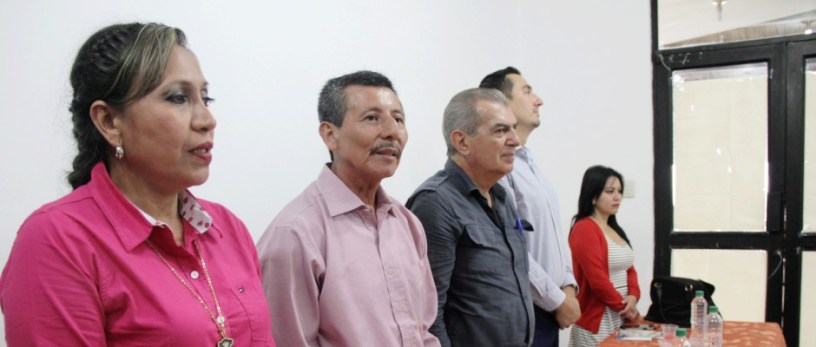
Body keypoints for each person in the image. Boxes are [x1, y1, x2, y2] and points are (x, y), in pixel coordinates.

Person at [0, 23, 275, 346]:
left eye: (206, 97)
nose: (206, 120)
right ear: (109, 122)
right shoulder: (58, 240)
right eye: (177, 98)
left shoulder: (226, 228)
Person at [256, 70, 440, 347]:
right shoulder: (296, 233)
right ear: (330, 135)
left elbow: (423, 331)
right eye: (372, 118)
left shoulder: (407, 223)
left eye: (398, 119)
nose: (391, 132)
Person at [406, 88, 534, 347]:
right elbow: (428, 314)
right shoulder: (436, 202)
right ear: (462, 142)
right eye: (500, 131)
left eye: (513, 128)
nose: (515, 140)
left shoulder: (501, 197)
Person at [479, 67, 581, 347]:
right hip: (529, 309)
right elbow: (511, 247)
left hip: (551, 306)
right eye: (527, 91)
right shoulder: (500, 169)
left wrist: (568, 286)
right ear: (501, 103)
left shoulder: (530, 165)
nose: (538, 100)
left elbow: (554, 239)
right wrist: (558, 300)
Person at [568, 165, 641, 346]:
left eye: (619, 191)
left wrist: (633, 296)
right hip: (597, 321)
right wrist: (625, 307)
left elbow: (629, 269)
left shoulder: (614, 229)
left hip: (620, 317)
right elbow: (597, 280)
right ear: (593, 196)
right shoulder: (584, 228)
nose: (617, 197)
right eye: (610, 191)